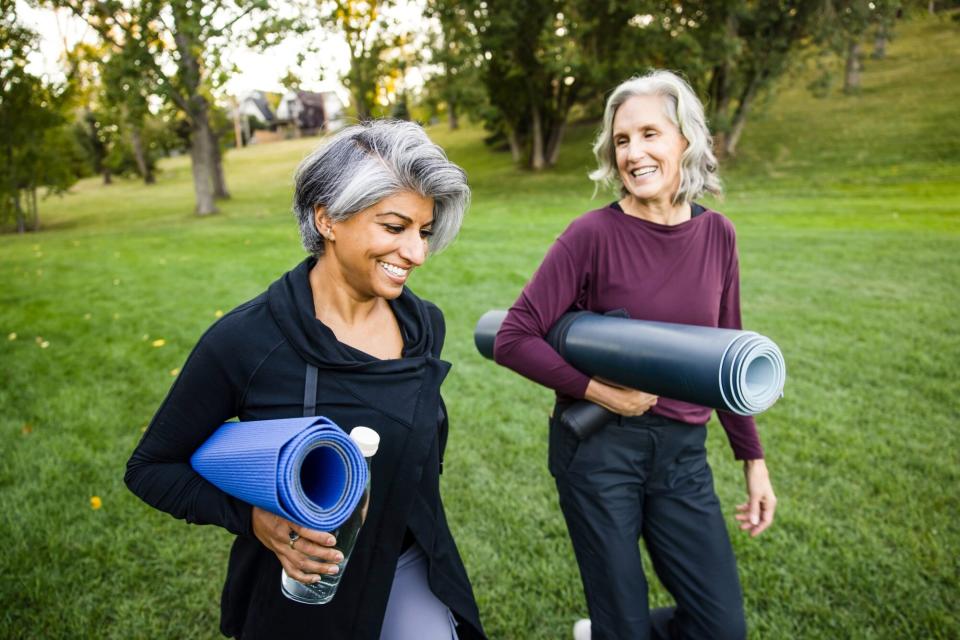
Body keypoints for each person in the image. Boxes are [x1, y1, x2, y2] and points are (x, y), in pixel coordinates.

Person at [125, 120, 485, 640]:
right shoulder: (247, 341)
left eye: (424, 232)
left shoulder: (422, 324)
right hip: (303, 584)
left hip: (406, 559)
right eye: (394, 227)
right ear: (327, 218)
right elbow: (151, 468)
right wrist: (253, 518)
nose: (417, 253)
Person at [493, 70, 777, 640]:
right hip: (600, 452)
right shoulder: (590, 235)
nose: (634, 153)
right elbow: (513, 336)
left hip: (682, 455)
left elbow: (729, 350)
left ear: (685, 140)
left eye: (650, 134)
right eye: (623, 140)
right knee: (622, 627)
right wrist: (601, 393)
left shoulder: (718, 235)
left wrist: (753, 460)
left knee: (721, 629)